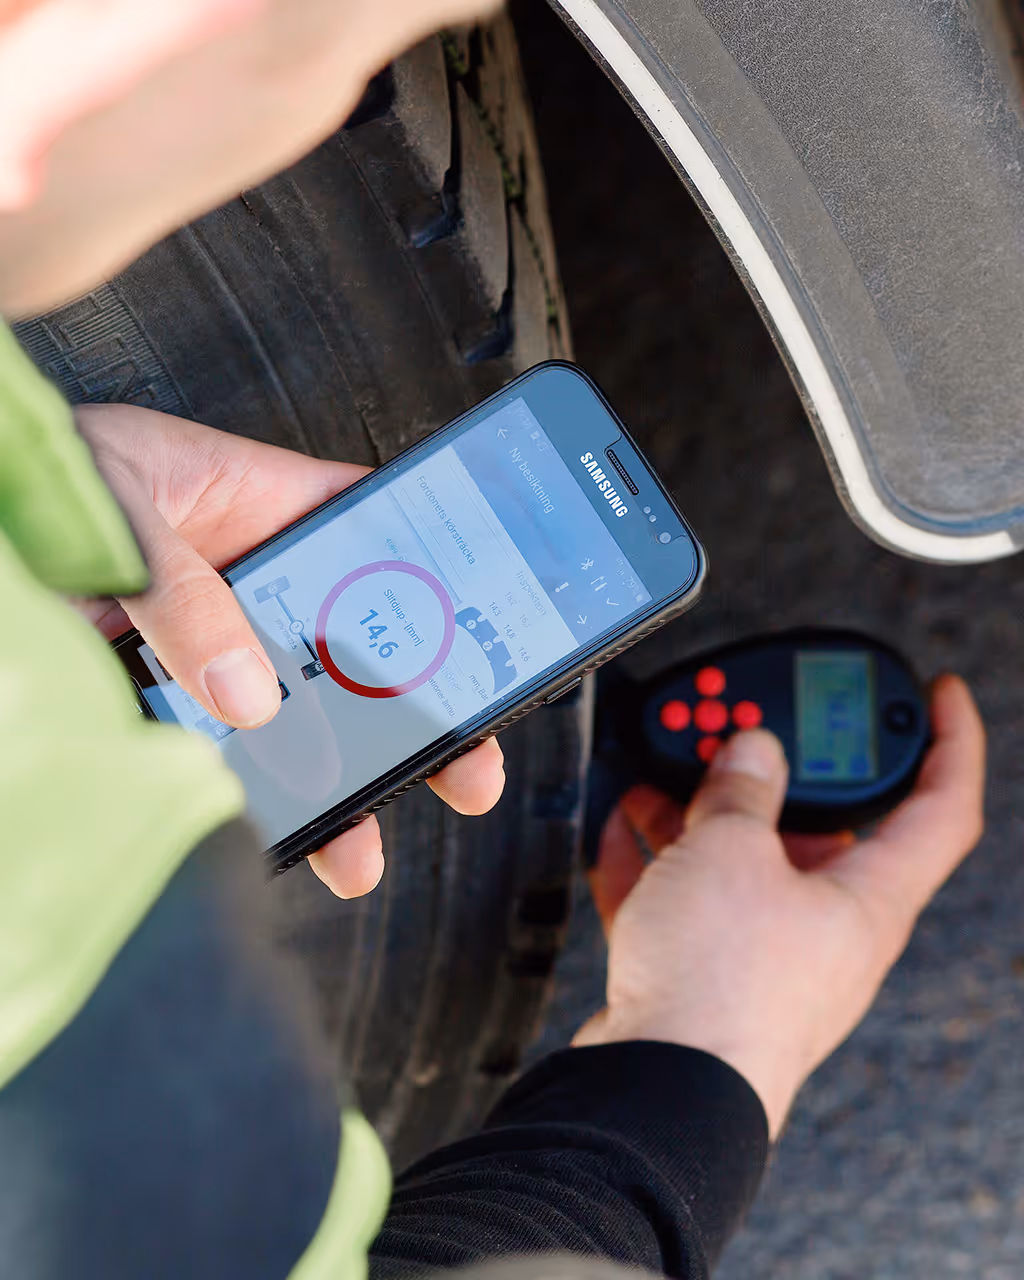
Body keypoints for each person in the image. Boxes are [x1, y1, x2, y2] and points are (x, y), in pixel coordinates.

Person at [0, 1, 986, 1277]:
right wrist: (707, 1046)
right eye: (351, 53)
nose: (348, 94)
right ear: (116, 45)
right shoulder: (89, 1014)